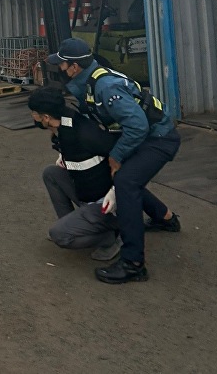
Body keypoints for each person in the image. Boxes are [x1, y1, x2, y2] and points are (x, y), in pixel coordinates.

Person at [47, 38, 181, 284]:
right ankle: (166, 218)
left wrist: (116, 157)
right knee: (129, 177)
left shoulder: (106, 87)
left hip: (159, 139)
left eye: (63, 65)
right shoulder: (88, 80)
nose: (60, 70)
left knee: (125, 181)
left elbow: (138, 126)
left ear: (74, 67)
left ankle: (133, 264)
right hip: (146, 134)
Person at [27, 87, 121, 261]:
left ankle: (111, 237)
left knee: (59, 235)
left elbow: (121, 156)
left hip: (105, 205)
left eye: (34, 113)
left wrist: (116, 192)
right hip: (86, 192)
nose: (33, 116)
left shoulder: (84, 133)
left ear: (46, 117)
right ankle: (74, 224)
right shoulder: (63, 124)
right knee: (51, 173)